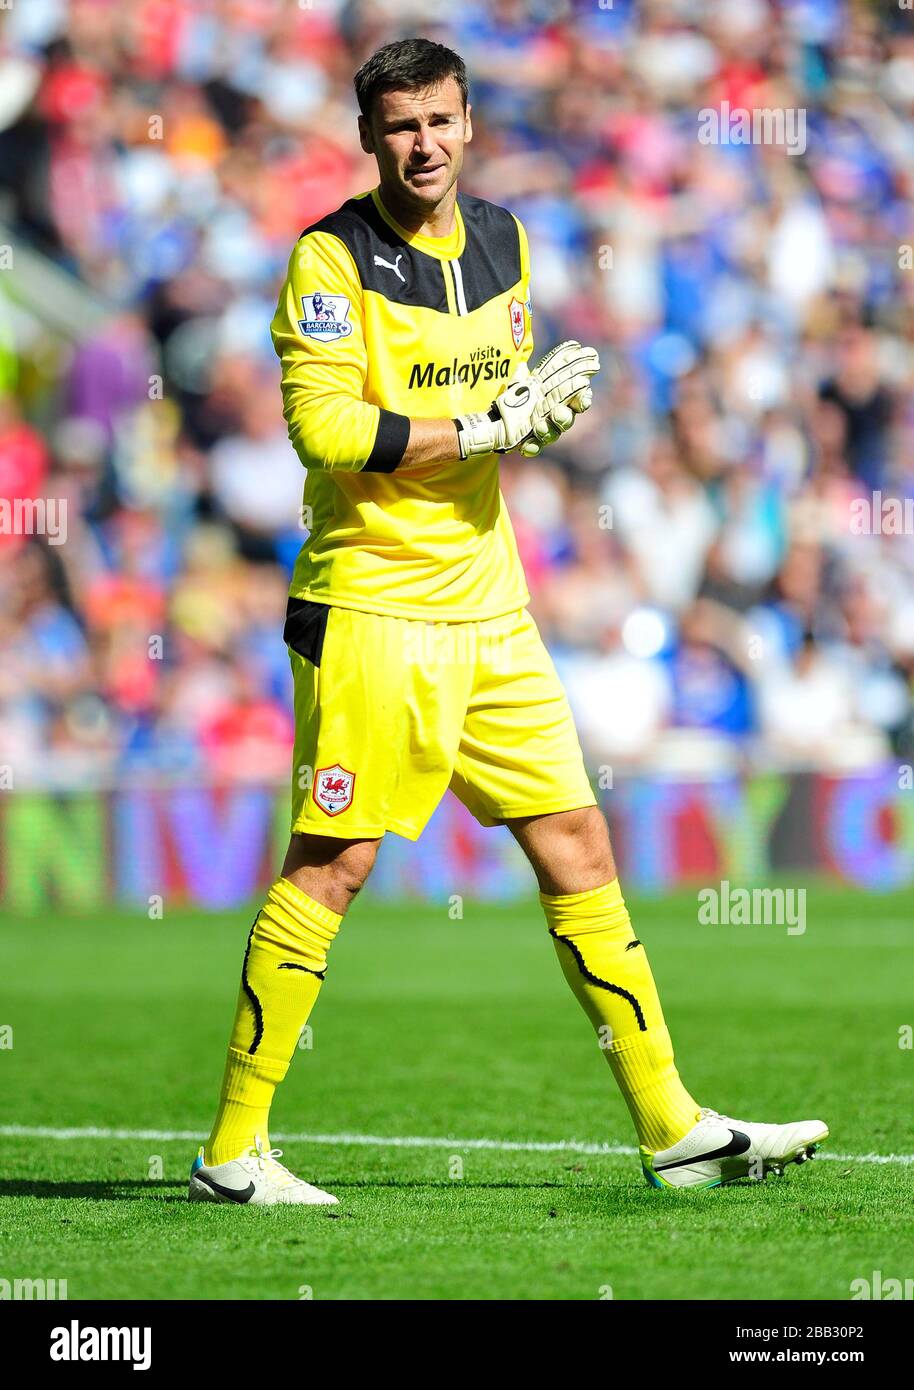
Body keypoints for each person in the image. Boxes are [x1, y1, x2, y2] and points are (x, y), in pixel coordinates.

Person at [188, 38, 826, 1204]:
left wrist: (531, 418)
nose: (420, 144)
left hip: (491, 605)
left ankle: (670, 1124)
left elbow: (496, 399)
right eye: (397, 127)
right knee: (332, 866)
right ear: (368, 137)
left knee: (577, 843)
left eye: (438, 120)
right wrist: (487, 426)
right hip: (372, 601)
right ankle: (233, 1152)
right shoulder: (326, 261)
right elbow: (328, 433)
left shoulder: (507, 241)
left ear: (468, 121)